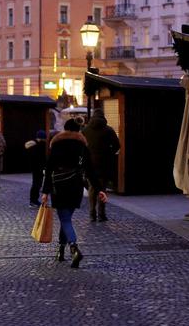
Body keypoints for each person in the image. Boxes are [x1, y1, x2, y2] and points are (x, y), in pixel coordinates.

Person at [41, 118, 106, 268]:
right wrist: (100, 189)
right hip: (76, 186)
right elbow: (90, 170)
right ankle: (61, 250)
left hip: (59, 186)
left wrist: (45, 191)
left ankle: (74, 248)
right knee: (67, 218)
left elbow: (49, 168)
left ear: (64, 129)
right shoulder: (82, 146)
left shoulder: (56, 144)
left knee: (65, 219)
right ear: (77, 131)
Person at [82, 108, 120, 222]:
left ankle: (92, 213)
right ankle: (102, 214)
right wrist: (109, 153)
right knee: (102, 188)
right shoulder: (109, 130)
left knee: (92, 188)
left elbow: (81, 146)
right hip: (104, 164)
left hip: (90, 164)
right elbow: (117, 145)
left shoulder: (85, 130)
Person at [25, 130, 47, 208]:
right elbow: (39, 158)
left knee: (37, 183)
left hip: (36, 167)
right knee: (36, 184)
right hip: (37, 167)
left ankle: (34, 200)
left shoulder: (34, 145)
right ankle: (33, 201)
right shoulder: (38, 145)